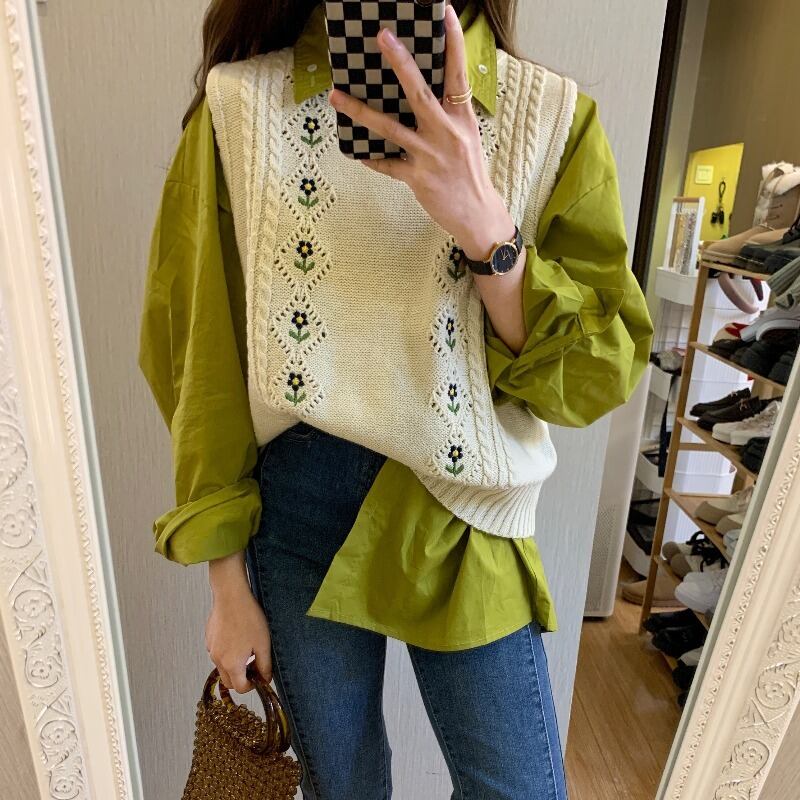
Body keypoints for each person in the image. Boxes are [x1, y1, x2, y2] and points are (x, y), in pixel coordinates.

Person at [138, 0, 653, 797]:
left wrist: (487, 230)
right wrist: (226, 584)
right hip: (297, 506)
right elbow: (200, 357)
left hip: (464, 509)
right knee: (343, 788)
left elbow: (597, 374)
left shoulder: (549, 117)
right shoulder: (239, 109)